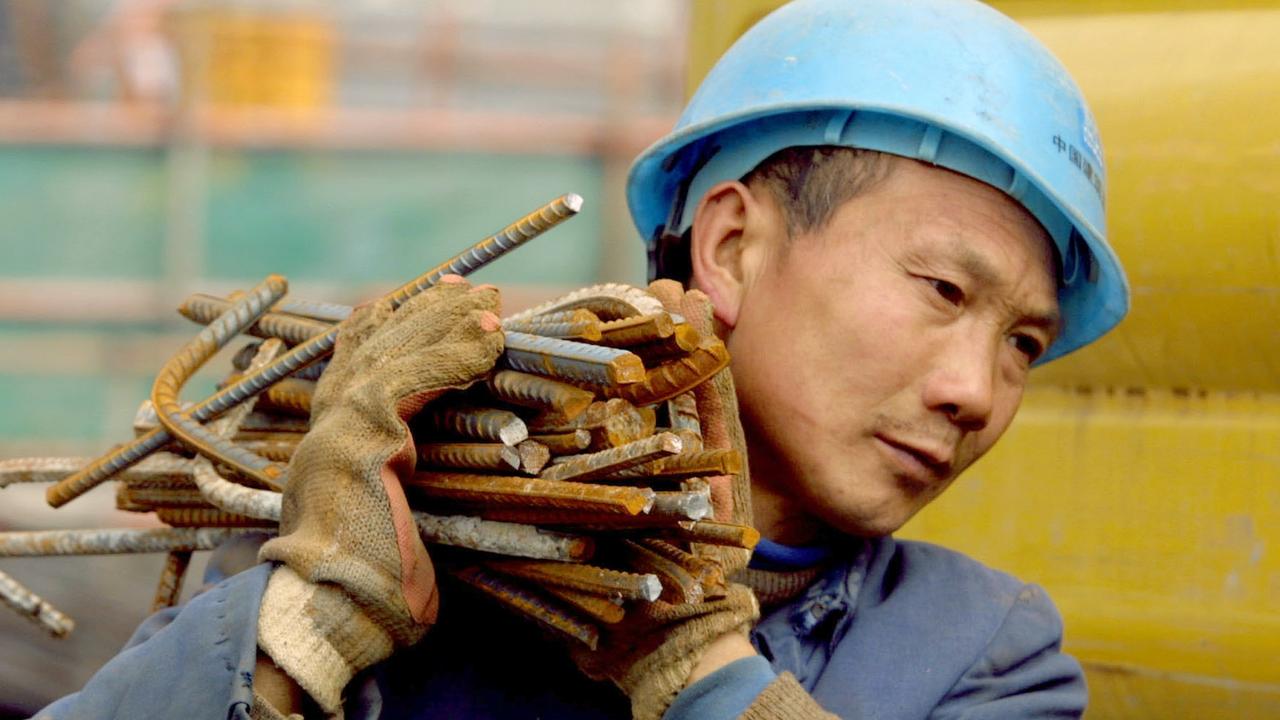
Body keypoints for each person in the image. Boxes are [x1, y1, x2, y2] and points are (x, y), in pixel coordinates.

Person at [34, 0, 1129, 718]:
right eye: (943, 291)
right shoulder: (384, 528)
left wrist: (697, 669)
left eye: (1022, 344)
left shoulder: (983, 655)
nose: (973, 391)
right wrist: (299, 636)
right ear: (734, 246)